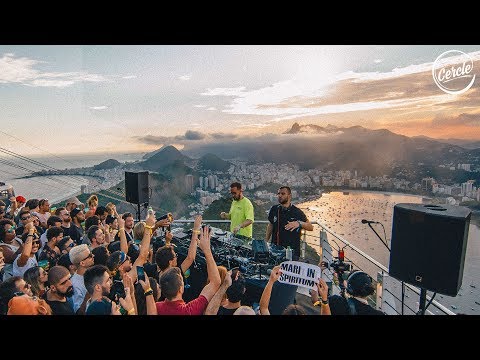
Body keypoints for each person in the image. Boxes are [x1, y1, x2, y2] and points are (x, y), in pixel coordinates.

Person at [266, 186, 313, 260]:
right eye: (278, 194)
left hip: (292, 253)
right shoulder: (274, 209)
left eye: (283, 194)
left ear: (289, 196)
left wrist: (299, 223)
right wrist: (266, 241)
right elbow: (271, 225)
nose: (280, 195)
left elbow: (310, 227)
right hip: (275, 251)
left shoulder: (297, 212)